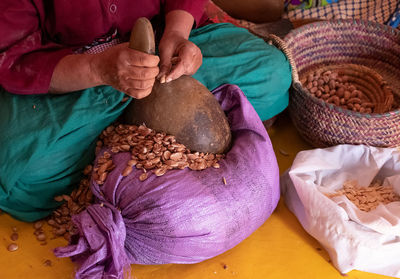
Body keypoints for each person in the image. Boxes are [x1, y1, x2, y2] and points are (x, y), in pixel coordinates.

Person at [0, 0, 292, 221]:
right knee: (23, 181)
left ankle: (123, 131)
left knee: (272, 75)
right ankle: (140, 121)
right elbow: (14, 56)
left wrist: (177, 35)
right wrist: (98, 68)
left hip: (160, 50)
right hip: (76, 78)